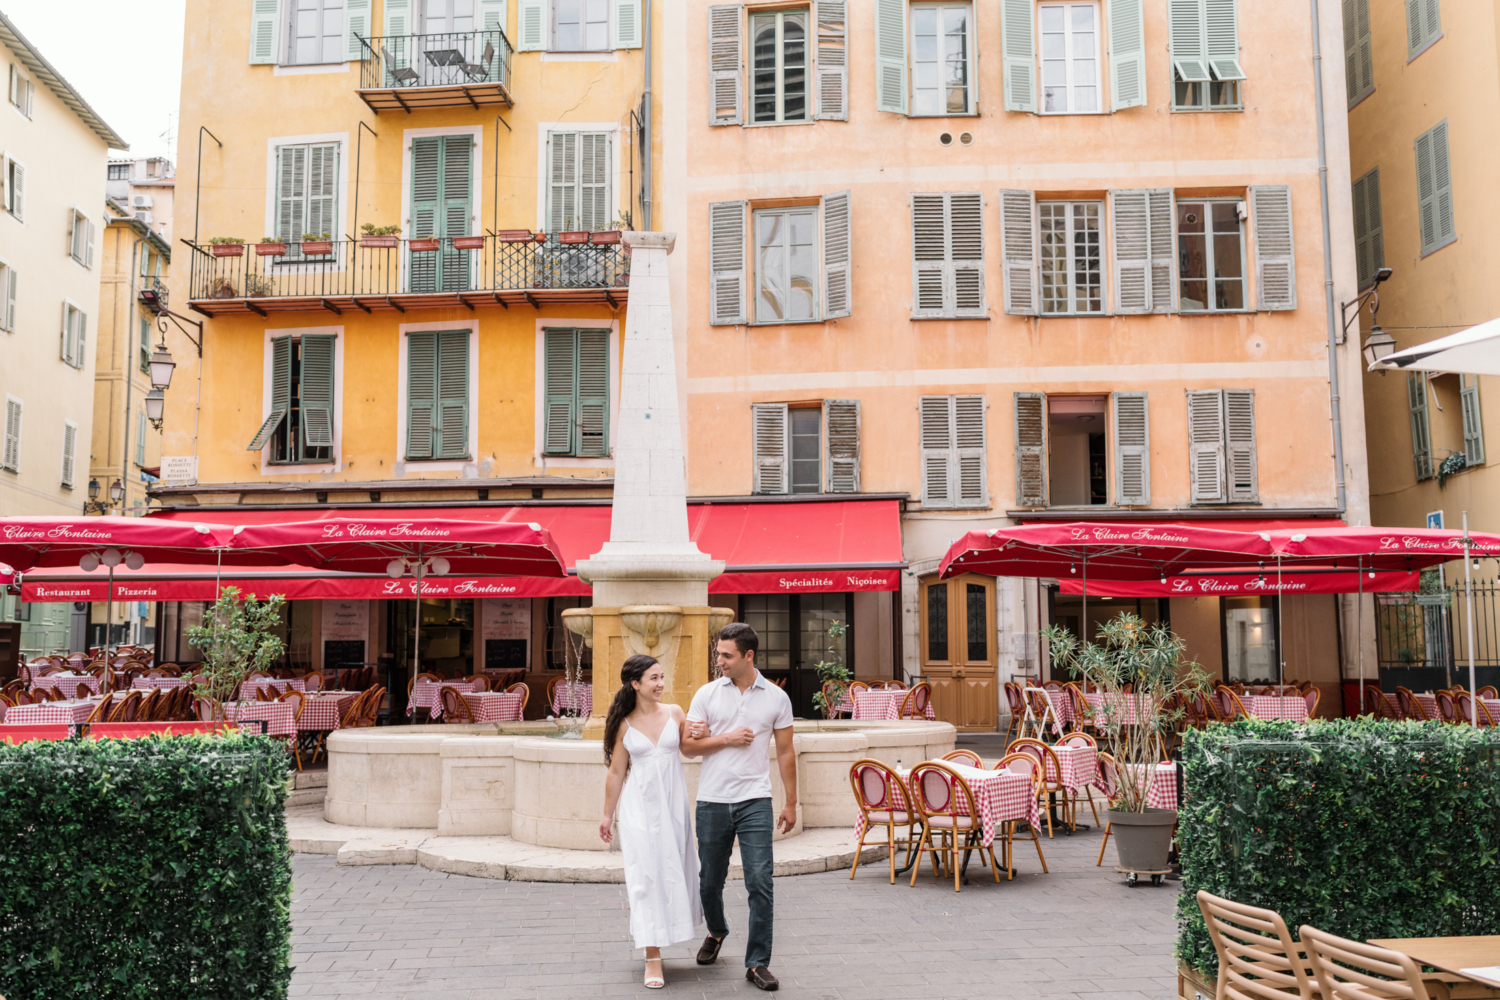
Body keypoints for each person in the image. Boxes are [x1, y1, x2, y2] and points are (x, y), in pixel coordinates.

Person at [681, 622, 797, 992]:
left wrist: (791, 802)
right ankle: (716, 931)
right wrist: (726, 738)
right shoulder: (707, 694)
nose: (719, 661)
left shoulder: (777, 698)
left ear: (748, 655)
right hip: (712, 800)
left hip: (755, 800)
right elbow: (687, 748)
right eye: (718, 654)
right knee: (708, 881)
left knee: (760, 881)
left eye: (726, 655)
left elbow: (785, 752)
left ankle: (757, 962)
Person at [599, 654, 703, 989]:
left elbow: (691, 747)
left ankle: (681, 930)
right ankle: (652, 957)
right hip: (638, 810)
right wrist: (606, 814)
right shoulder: (625, 724)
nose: (661, 684)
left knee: (675, 872)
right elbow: (616, 772)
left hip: (673, 808)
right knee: (644, 879)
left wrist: (703, 731)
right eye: (654, 678)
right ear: (635, 684)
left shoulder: (675, 712)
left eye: (662, 677)